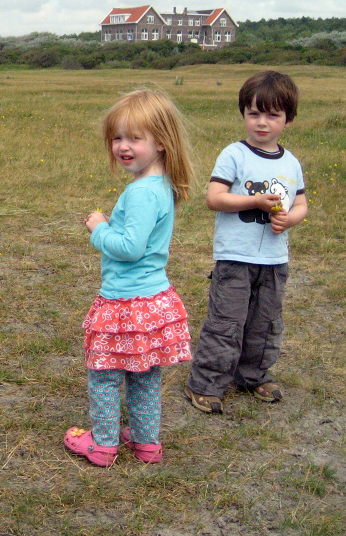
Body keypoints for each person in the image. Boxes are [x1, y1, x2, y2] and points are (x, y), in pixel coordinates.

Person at [64, 89, 194, 467]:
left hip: (124, 302)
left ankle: (103, 444)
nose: (123, 146)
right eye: (117, 137)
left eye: (134, 137)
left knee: (104, 375)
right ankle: (145, 442)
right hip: (153, 301)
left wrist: (98, 228)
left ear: (162, 142)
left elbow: (130, 247)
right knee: (144, 375)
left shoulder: (140, 193)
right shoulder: (161, 185)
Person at [184, 70, 308, 414]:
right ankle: (206, 384)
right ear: (243, 114)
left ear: (288, 119)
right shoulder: (234, 154)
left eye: (273, 115)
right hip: (235, 258)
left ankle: (253, 376)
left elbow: (301, 205)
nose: (262, 123)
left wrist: (289, 219)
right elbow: (215, 197)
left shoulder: (291, 162)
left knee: (265, 323)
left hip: (274, 259)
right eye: (254, 113)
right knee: (227, 322)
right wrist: (253, 202)